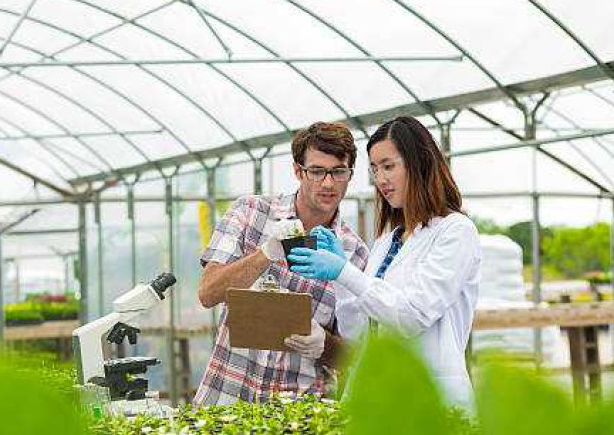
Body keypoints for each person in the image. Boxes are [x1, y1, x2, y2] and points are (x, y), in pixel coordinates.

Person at [288, 116, 481, 408]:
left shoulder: (455, 232)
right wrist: (342, 280)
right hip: (376, 395)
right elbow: (358, 333)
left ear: (419, 163)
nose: (380, 180)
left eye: (388, 166)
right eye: (375, 169)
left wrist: (346, 271)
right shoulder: (386, 242)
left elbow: (412, 315)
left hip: (429, 397)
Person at [195, 122, 369, 405]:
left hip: (299, 415)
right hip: (226, 399)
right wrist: (265, 253)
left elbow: (354, 355)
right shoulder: (251, 213)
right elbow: (208, 293)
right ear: (298, 171)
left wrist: (323, 344)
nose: (328, 183)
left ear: (350, 174)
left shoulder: (354, 252)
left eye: (339, 172)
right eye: (316, 171)